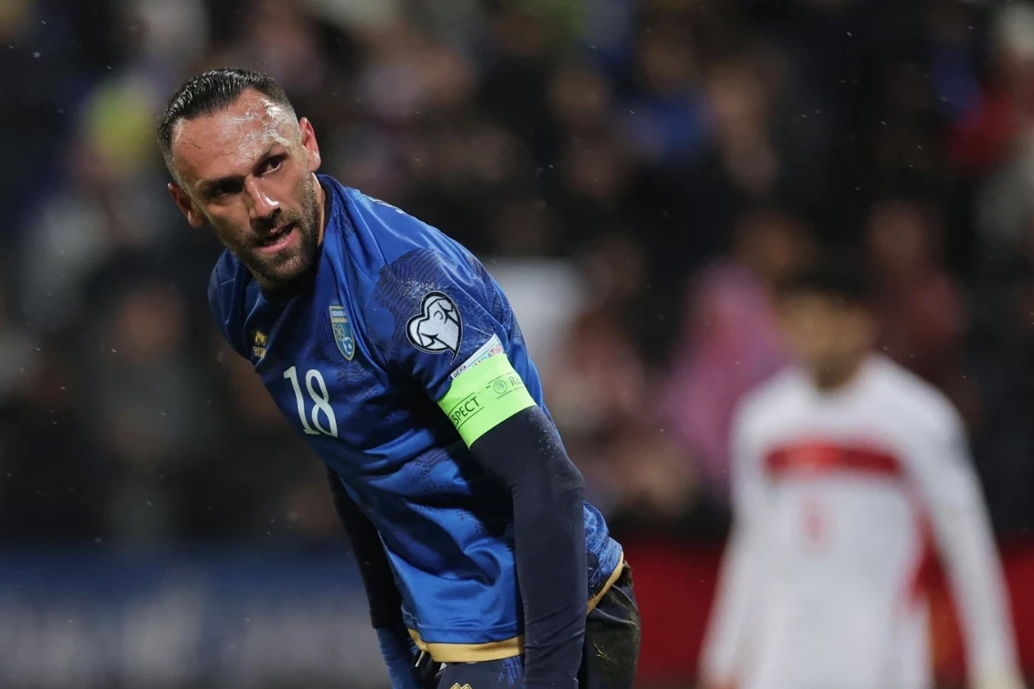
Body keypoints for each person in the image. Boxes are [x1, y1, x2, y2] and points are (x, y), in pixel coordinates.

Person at [157, 68, 639, 689]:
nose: (263, 206)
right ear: (187, 206)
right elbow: (351, 459)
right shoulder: (236, 297)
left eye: (272, 165)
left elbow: (546, 479)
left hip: (539, 616)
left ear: (309, 144)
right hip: (445, 627)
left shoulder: (402, 286)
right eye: (225, 189)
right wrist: (391, 633)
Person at [699, 258, 1024, 689]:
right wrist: (722, 657)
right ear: (783, 325)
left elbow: (966, 542)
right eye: (802, 318)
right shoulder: (761, 423)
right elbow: (751, 545)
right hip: (781, 662)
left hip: (882, 660)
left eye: (829, 317)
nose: (816, 332)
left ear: (863, 321)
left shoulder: (919, 419)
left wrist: (994, 662)